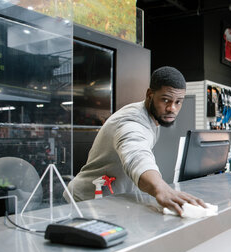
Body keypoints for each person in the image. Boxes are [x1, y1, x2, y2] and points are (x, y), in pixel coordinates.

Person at [68, 66, 206, 215]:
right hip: (85, 202)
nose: (172, 108)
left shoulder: (153, 118)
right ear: (149, 94)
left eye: (178, 102)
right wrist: (161, 188)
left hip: (111, 200)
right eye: (165, 100)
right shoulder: (131, 121)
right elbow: (136, 154)